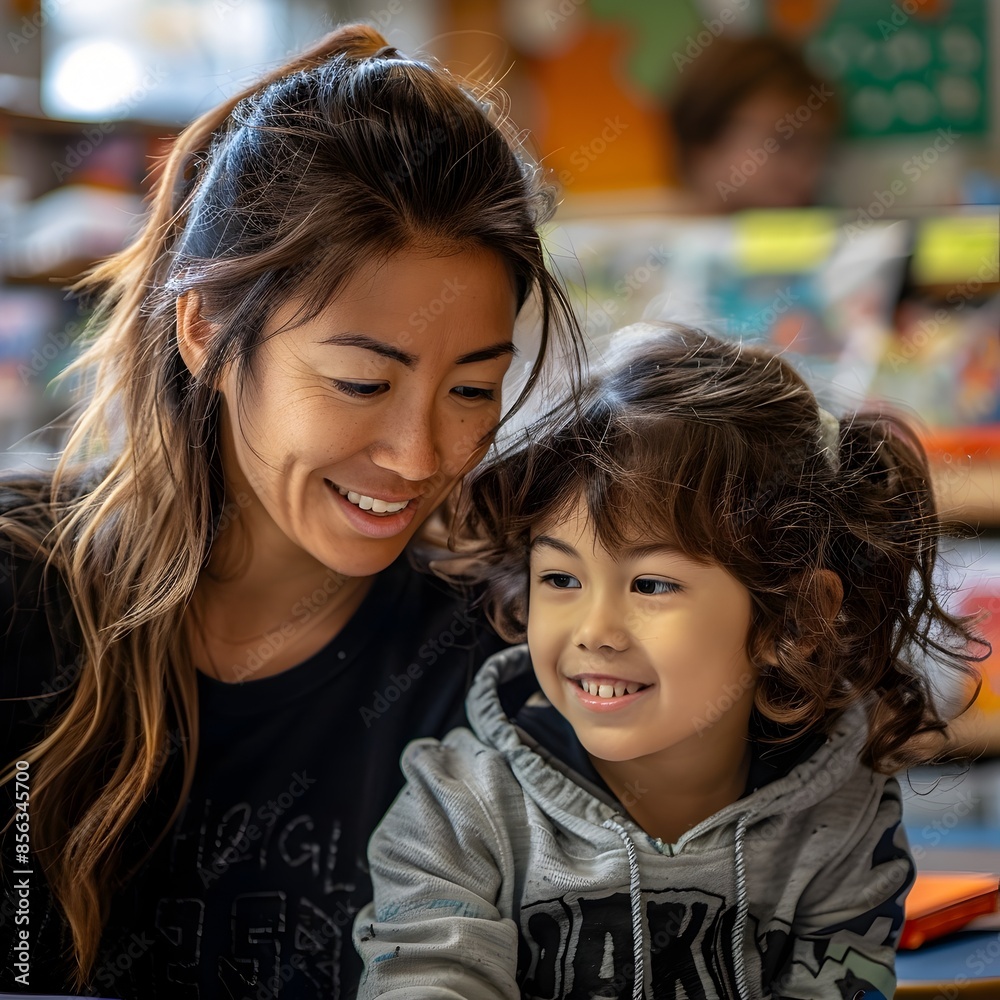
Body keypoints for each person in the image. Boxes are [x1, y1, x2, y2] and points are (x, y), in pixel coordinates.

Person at [0, 24, 583, 998]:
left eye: (473, 390)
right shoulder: (18, 600)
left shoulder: (489, 664)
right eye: (362, 383)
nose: (420, 454)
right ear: (205, 328)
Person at [353, 325, 983, 999]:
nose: (595, 631)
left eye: (652, 585)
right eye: (561, 580)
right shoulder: (454, 813)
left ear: (797, 618)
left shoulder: (843, 813)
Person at [666, 35, 840, 213]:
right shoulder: (649, 232)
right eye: (784, 144)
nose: (805, 174)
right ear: (702, 143)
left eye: (818, 151)